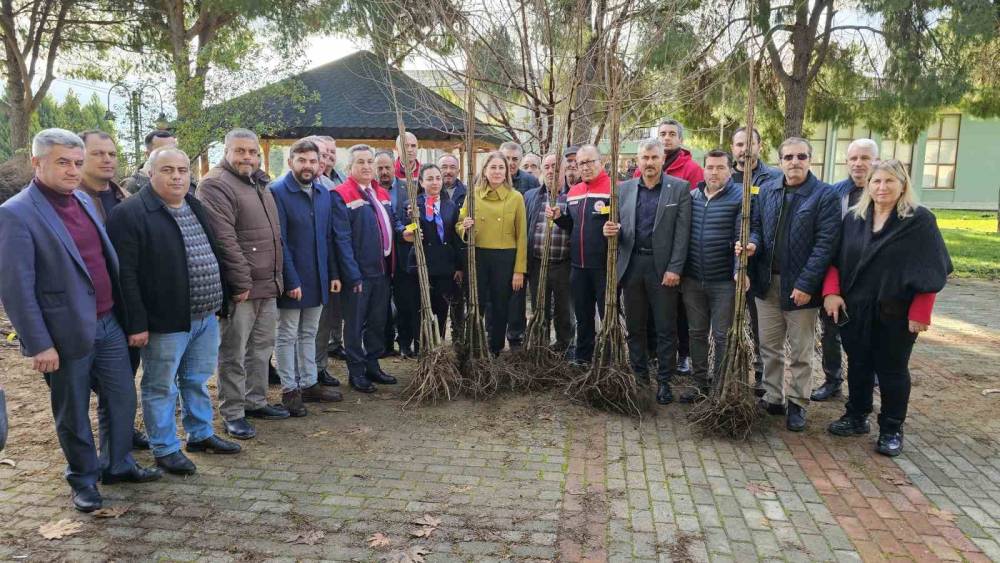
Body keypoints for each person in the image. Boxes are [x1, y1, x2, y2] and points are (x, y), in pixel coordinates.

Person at [0, 129, 161, 512]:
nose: (72, 170)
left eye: (76, 162)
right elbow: (16, 288)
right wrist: (38, 343)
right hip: (63, 332)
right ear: (37, 163)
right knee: (72, 411)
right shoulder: (16, 214)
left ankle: (117, 463)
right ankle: (83, 479)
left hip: (108, 323)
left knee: (121, 397)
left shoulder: (86, 201)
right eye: (62, 162)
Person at [107, 146, 242, 475]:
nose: (177, 176)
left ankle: (200, 434)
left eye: (183, 170)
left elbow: (213, 251)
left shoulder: (195, 205)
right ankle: (165, 448)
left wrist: (222, 298)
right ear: (150, 173)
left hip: (204, 316)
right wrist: (136, 323)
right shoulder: (131, 214)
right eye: (168, 170)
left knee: (195, 380)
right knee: (160, 386)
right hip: (165, 322)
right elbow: (125, 275)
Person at [823, 160, 951, 456]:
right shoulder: (854, 219)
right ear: (867, 185)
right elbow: (835, 260)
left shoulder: (919, 221)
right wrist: (831, 292)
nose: (882, 187)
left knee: (892, 370)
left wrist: (921, 311)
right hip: (856, 309)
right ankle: (857, 416)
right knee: (858, 364)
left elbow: (933, 269)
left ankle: (892, 427)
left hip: (897, 311)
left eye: (889, 182)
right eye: (876, 181)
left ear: (903, 185)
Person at [739, 137, 841, 432]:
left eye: (801, 156)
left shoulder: (824, 195)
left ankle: (798, 402)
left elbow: (825, 245)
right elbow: (756, 226)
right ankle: (773, 396)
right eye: (788, 157)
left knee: (800, 350)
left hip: (801, 288)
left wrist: (807, 283)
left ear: (810, 159)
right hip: (766, 282)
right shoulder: (768, 190)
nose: (794, 162)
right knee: (769, 345)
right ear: (780, 160)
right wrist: (752, 245)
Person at [197, 129, 288, 440]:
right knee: (233, 352)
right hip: (243, 288)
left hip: (267, 283)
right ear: (226, 151)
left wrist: (278, 278)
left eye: (252, 151)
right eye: (240, 151)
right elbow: (224, 240)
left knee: (261, 349)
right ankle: (233, 412)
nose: (247, 156)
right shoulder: (216, 184)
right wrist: (240, 283)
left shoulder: (260, 182)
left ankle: (255, 400)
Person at [603, 138, 692, 404]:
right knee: (635, 327)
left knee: (666, 329)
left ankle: (664, 381)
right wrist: (610, 232)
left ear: (663, 159)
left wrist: (675, 268)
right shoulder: (624, 190)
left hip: (663, 269)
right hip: (632, 267)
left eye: (654, 158)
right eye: (645, 158)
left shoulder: (679, 189)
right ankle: (640, 377)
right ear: (638, 161)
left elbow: (682, 234)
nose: (649, 163)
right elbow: (616, 227)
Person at [77, 129, 149, 449]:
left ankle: (119, 442)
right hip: (85, 312)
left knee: (121, 382)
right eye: (98, 153)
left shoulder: (123, 198)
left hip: (124, 306)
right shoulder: (71, 202)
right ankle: (86, 457)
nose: (107, 159)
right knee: (89, 387)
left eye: (112, 154)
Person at [270, 139, 344, 416]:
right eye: (302, 160)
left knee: (310, 334)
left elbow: (327, 237)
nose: (308, 166)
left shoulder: (323, 193)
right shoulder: (277, 192)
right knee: (287, 334)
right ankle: (290, 390)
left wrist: (334, 273)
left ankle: (310, 383)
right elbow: (280, 241)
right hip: (293, 279)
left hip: (319, 277)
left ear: (319, 164)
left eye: (313, 161)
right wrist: (290, 280)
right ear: (290, 162)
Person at [811, 138, 879, 402]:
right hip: (837, 276)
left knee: (868, 335)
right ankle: (832, 379)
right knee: (830, 331)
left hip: (872, 281)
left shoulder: (884, 192)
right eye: (853, 158)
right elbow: (827, 239)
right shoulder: (835, 193)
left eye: (865, 158)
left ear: (875, 160)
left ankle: (865, 385)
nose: (859, 163)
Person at [331, 145, 399, 392]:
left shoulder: (380, 193)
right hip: (359, 274)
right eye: (361, 162)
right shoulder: (342, 194)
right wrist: (352, 274)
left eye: (370, 161)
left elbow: (390, 225)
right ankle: (356, 372)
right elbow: (341, 239)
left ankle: (373, 365)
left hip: (383, 270)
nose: (367, 166)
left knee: (378, 321)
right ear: (350, 167)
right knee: (355, 324)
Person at [680, 149, 743, 403]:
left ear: (730, 170)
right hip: (693, 279)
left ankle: (720, 385)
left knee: (721, 335)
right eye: (710, 167)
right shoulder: (693, 196)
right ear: (703, 169)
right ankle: (698, 383)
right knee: (696, 332)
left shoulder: (740, 198)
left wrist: (739, 269)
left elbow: (743, 236)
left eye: (720, 167)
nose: (714, 172)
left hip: (723, 282)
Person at [457, 152, 528, 356]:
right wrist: (465, 227)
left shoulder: (515, 197)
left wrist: (519, 270)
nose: (497, 172)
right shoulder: (473, 195)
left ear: (506, 171)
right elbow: (459, 223)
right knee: (476, 301)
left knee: (500, 305)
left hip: (505, 258)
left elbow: (522, 236)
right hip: (478, 256)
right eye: (493, 167)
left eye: (501, 167)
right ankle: (474, 345)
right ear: (485, 171)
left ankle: (495, 347)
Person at [547, 144, 611, 366]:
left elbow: (625, 225)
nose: (585, 167)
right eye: (580, 163)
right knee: (583, 316)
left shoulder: (614, 188)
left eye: (589, 161)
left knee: (608, 316)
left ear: (601, 162)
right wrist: (558, 217)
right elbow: (572, 225)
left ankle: (609, 358)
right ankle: (583, 357)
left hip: (604, 267)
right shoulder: (574, 192)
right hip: (578, 266)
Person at [731, 126, 783, 396]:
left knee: (760, 324)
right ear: (733, 148)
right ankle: (730, 370)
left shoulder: (773, 178)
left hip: (759, 262)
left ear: (759, 147)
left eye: (749, 144)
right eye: (739, 144)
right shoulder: (724, 177)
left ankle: (763, 375)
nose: (744, 149)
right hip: (727, 262)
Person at [399, 164, 462, 338]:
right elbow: (406, 229)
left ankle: (439, 344)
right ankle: (422, 347)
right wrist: (412, 221)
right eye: (429, 179)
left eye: (437, 178)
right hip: (420, 265)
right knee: (420, 309)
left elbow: (455, 238)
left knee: (442, 310)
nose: (434, 182)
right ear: (421, 181)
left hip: (444, 266)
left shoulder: (451, 206)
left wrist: (458, 266)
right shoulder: (412, 204)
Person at [522, 153, 574, 353]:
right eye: (547, 166)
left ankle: (565, 347)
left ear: (565, 169)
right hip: (537, 263)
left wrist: (562, 218)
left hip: (564, 263)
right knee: (539, 308)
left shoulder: (574, 195)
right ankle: (539, 349)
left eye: (556, 166)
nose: (551, 170)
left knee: (565, 310)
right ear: (542, 170)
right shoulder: (531, 195)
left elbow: (576, 227)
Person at [500, 142, 540, 349]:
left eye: (515, 159)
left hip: (522, 246)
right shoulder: (490, 178)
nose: (511, 163)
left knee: (518, 296)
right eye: (507, 158)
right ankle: (494, 336)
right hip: (497, 247)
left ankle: (516, 337)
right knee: (496, 296)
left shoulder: (530, 181)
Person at [391, 140, 423, 358]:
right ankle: (403, 342)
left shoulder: (426, 174)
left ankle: (422, 341)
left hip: (424, 250)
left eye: (413, 145)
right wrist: (404, 230)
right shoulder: (389, 178)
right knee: (403, 301)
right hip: (400, 249)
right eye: (405, 145)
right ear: (397, 149)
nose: (409, 149)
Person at [439, 153, 468, 343]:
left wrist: (460, 266)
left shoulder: (467, 194)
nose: (448, 171)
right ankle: (438, 338)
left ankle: (458, 338)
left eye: (452, 167)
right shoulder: (427, 192)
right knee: (439, 301)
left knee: (458, 302)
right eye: (444, 167)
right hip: (438, 259)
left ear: (458, 170)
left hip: (458, 256)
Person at [122, 130, 197, 195]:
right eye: (162, 152)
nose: (169, 155)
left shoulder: (190, 185)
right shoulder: (132, 186)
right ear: (147, 155)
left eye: (173, 150)